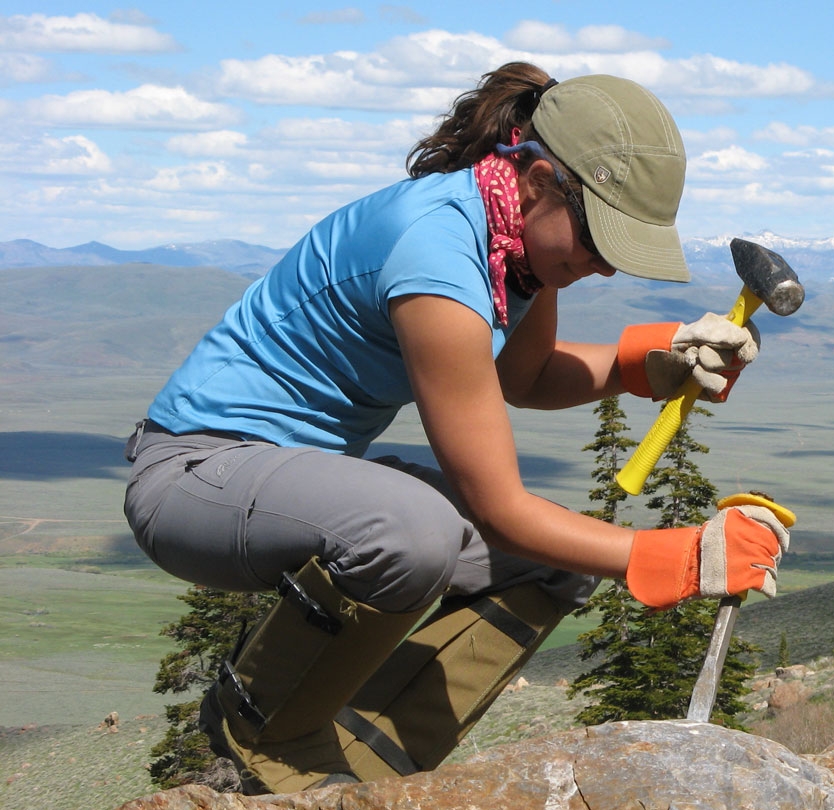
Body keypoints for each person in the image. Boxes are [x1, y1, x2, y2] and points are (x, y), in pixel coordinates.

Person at [122, 62, 790, 795]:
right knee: (410, 534)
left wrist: (652, 363)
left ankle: (372, 761)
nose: (601, 268)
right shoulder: (436, 252)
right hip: (195, 475)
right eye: (600, 240)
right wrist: (678, 556)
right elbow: (501, 509)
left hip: (300, 483)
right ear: (539, 180)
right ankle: (268, 724)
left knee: (554, 565)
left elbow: (524, 380)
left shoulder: (511, 250)